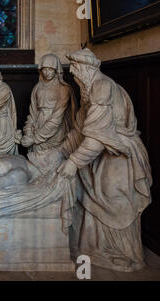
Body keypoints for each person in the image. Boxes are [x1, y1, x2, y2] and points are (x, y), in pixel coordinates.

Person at [57, 48, 152, 272]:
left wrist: (73, 162)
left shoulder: (102, 87)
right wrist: (59, 154)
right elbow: (80, 130)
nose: (74, 75)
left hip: (119, 155)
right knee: (87, 195)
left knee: (115, 201)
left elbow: (95, 138)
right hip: (100, 153)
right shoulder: (89, 89)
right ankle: (94, 248)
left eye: (76, 70)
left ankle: (126, 254)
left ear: (87, 69)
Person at [21, 54, 76, 152]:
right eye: (44, 69)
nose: (47, 73)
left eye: (50, 69)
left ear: (56, 70)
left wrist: (35, 139)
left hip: (55, 131)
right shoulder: (37, 87)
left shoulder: (63, 89)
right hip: (38, 125)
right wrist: (28, 132)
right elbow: (33, 112)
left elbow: (56, 119)